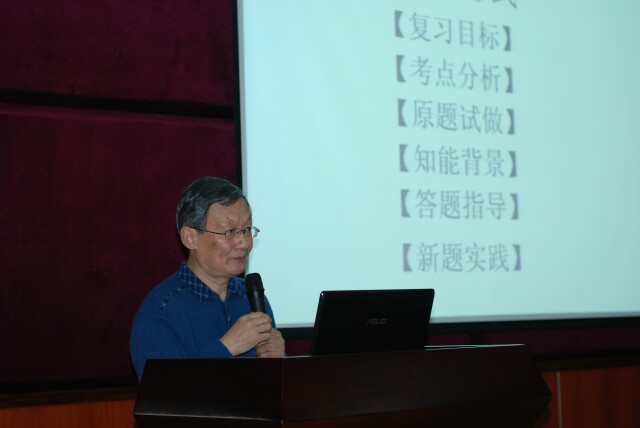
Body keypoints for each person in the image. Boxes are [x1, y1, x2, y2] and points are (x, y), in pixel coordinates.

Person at [130, 176, 285, 382]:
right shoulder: (160, 311)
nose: (243, 243)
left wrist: (280, 360)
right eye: (229, 231)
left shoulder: (252, 299)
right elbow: (164, 394)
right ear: (190, 238)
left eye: (247, 229)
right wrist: (226, 347)